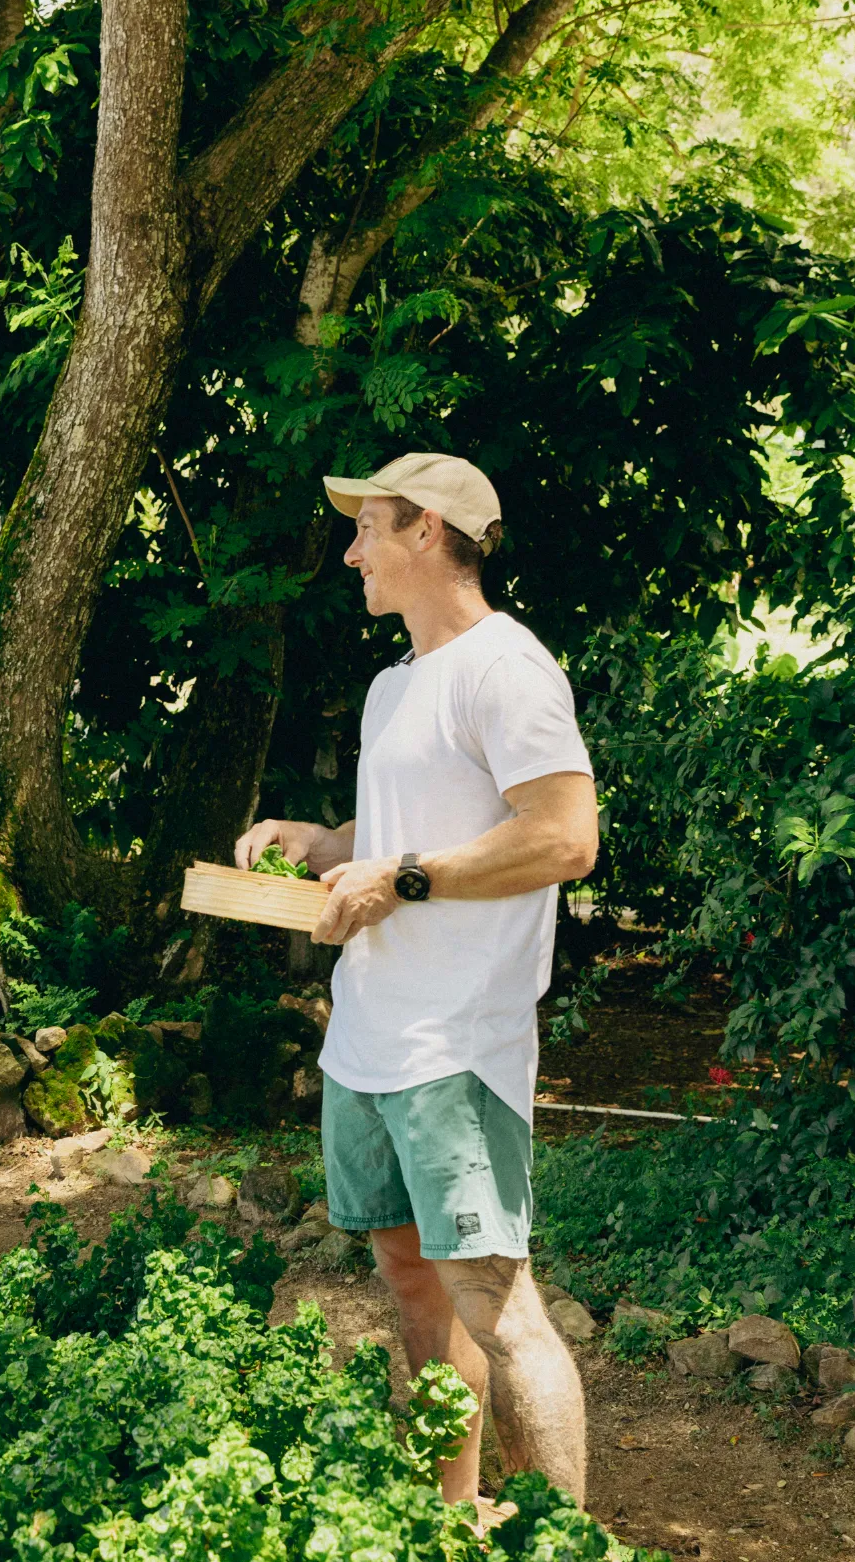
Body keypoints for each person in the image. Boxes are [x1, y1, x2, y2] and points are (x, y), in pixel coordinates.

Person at [236, 451, 598, 1515]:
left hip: (456, 1043)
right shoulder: (394, 682)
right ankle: (458, 1518)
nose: (350, 551)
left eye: (368, 529)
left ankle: (562, 1540)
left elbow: (564, 838)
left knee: (496, 1303)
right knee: (410, 1285)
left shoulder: (507, 668)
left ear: (428, 531)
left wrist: (400, 879)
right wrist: (321, 841)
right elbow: (406, 832)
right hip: (369, 1035)